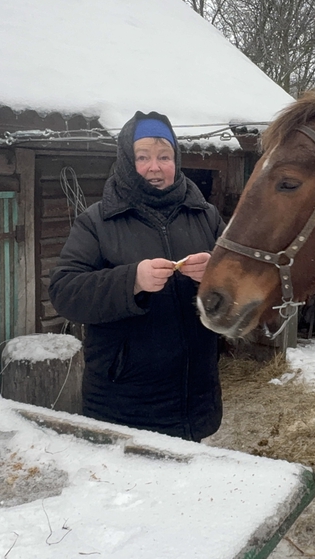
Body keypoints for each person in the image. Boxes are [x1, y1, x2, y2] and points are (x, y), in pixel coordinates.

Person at [48, 111, 225, 441]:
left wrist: (217, 273)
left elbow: (237, 286)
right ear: (127, 161)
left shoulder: (206, 216)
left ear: (177, 159)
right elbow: (64, 292)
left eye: (164, 157)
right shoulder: (98, 221)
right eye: (142, 157)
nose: (154, 167)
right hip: (123, 402)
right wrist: (132, 280)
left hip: (193, 397)